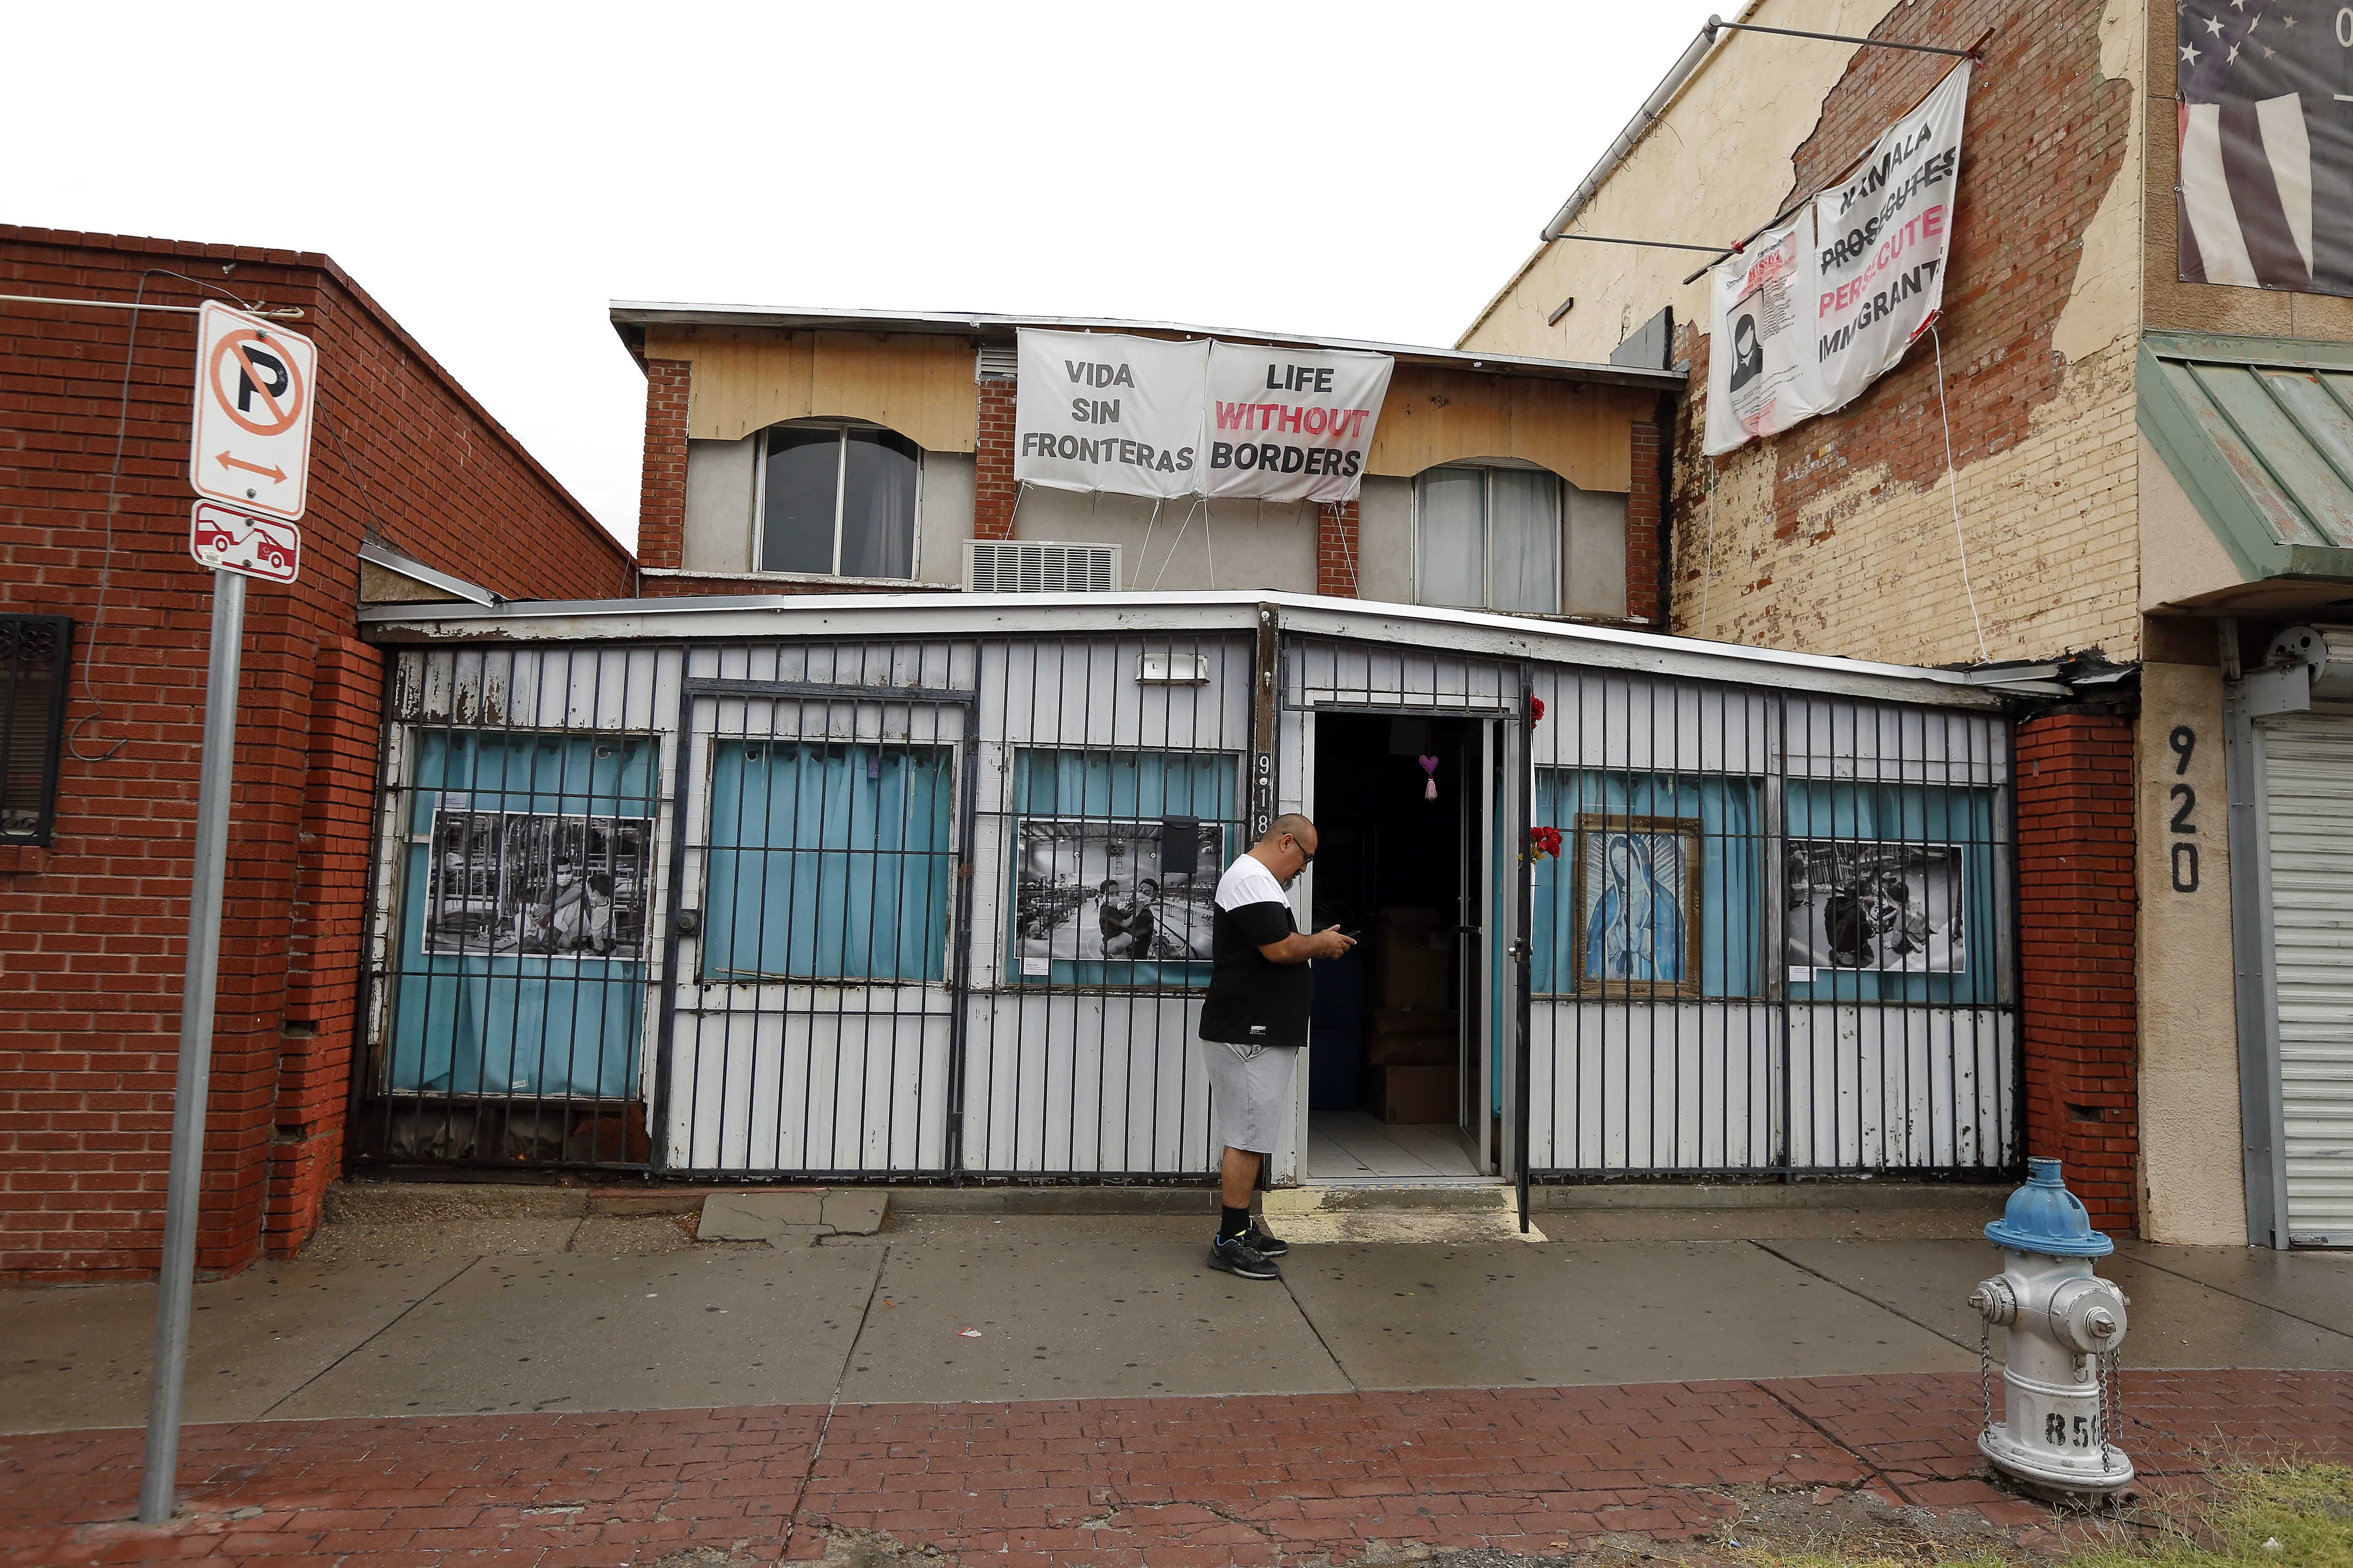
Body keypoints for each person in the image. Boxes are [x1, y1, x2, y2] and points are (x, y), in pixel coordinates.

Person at [1197, 813, 1354, 1280]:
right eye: (1304, 859)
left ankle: (1241, 1229)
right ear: (1286, 841)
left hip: (1257, 1029)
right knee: (1246, 1136)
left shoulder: (1256, 880)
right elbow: (1278, 948)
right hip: (1248, 1030)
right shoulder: (1249, 878)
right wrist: (1321, 944)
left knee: (1254, 1132)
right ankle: (1229, 1239)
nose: (1303, 870)